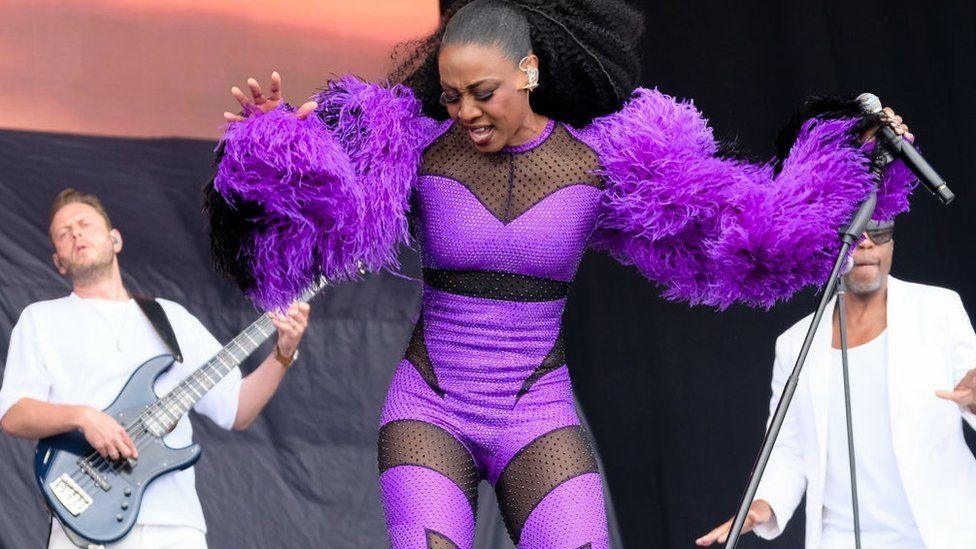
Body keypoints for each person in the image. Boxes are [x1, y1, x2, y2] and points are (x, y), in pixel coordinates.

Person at [206, 1, 916, 547]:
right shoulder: (414, 149)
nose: (465, 112)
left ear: (530, 70)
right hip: (429, 409)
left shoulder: (604, 160)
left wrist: (854, 164)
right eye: (450, 95)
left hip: (536, 412)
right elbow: (310, 232)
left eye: (481, 91)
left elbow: (748, 231)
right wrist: (276, 153)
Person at [0, 189, 311, 549]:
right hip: (84, 520)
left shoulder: (172, 319)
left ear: (115, 239)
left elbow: (237, 410)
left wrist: (282, 353)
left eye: (84, 224)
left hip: (174, 525)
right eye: (64, 233)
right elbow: (13, 415)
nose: (76, 235)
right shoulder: (41, 320)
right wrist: (84, 417)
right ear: (59, 261)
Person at [696, 219, 976, 548]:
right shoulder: (796, 343)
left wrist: (972, 401)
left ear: (892, 245)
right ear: (829, 248)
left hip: (938, 536)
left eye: (881, 230)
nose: (867, 243)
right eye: (856, 231)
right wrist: (762, 506)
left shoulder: (938, 309)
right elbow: (787, 448)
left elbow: (969, 388)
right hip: (840, 540)